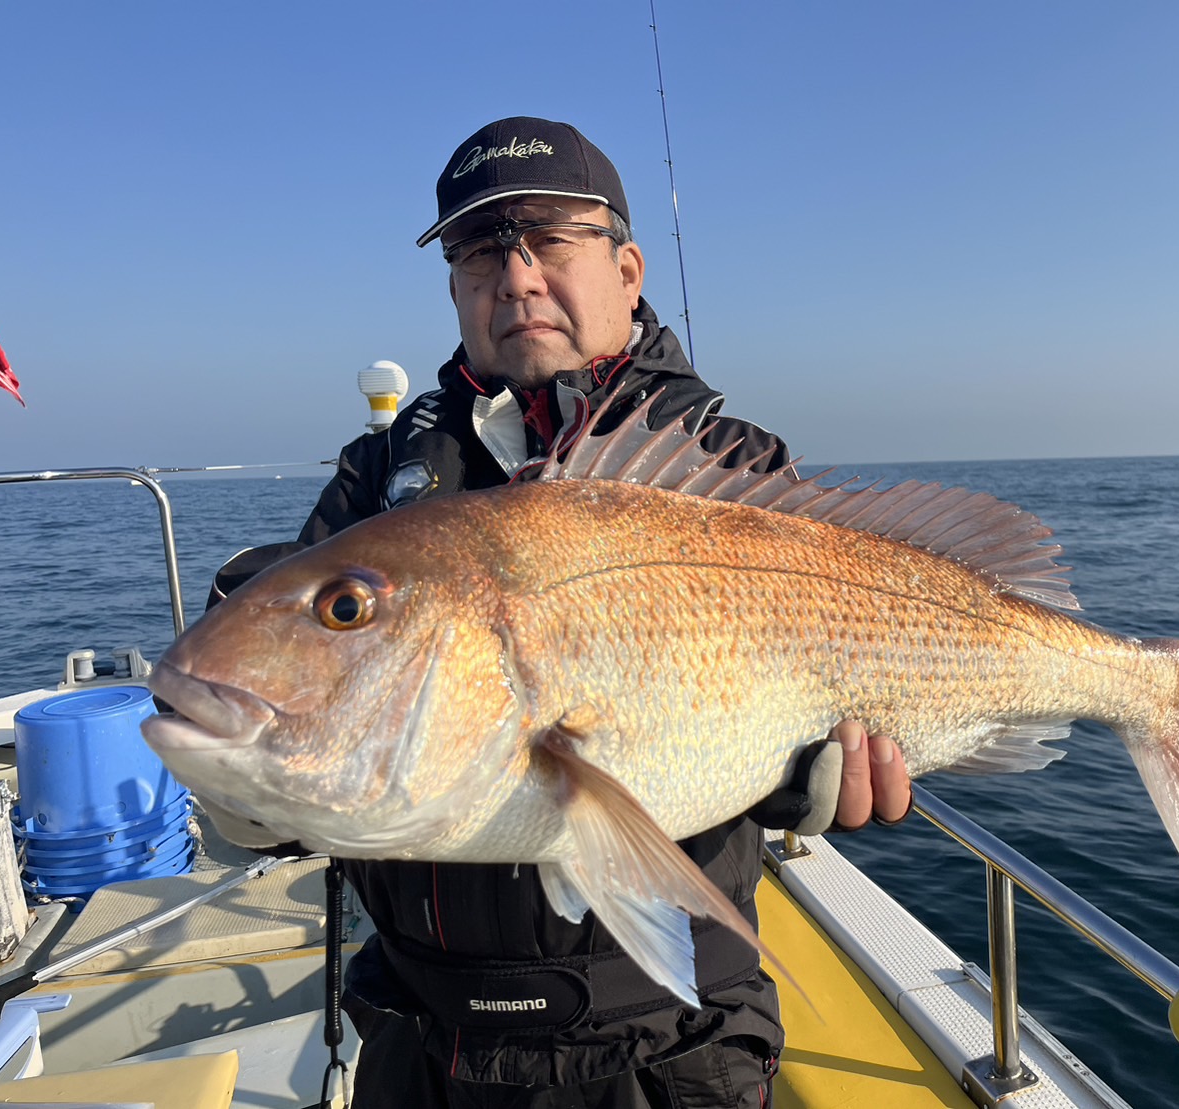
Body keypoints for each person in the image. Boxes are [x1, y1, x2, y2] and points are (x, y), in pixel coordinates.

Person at [208, 116, 912, 1109]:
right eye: (478, 250)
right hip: (421, 1033)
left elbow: (817, 704)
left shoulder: (731, 469)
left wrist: (802, 782)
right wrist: (249, 794)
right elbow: (322, 704)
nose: (515, 275)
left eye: (547, 237)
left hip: (671, 1040)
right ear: (454, 288)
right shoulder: (378, 480)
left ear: (626, 268)